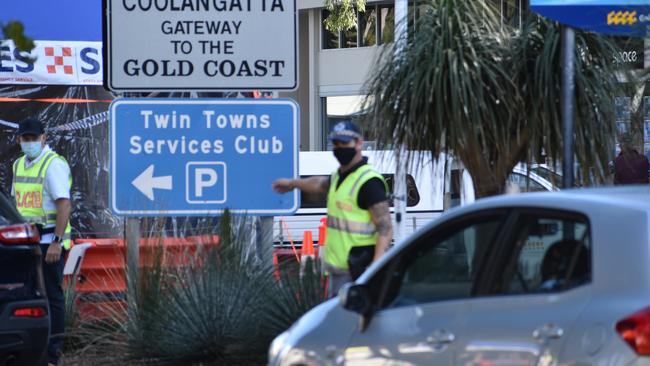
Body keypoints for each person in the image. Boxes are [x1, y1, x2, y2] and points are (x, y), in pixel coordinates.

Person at [272, 121, 392, 297]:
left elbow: (385, 229)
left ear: (359, 143)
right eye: (336, 143)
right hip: (338, 272)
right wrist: (292, 184)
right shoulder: (339, 176)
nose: (340, 148)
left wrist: (374, 271)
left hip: (358, 272)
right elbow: (319, 184)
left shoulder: (368, 182)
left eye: (345, 143)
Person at [12, 118, 72, 366]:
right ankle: (32, 348)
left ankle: (53, 350)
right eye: (25, 139)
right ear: (19, 140)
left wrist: (57, 241)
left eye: (33, 138)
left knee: (52, 296)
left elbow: (64, 205)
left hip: (49, 242)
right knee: (29, 296)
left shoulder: (52, 164)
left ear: (44, 138)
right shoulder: (18, 164)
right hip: (27, 242)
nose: (30, 142)